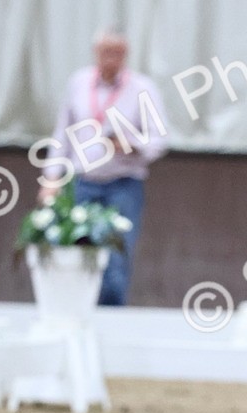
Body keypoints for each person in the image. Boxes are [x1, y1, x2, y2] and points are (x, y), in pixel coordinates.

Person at [39, 27, 168, 305]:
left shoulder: (142, 89)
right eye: (106, 52)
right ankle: (77, 313)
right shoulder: (78, 83)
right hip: (82, 182)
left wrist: (131, 144)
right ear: (96, 52)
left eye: (118, 53)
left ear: (126, 55)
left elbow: (159, 140)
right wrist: (51, 177)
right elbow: (63, 132)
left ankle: (109, 320)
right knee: (76, 254)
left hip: (123, 183)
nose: (112, 58)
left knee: (115, 260)